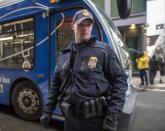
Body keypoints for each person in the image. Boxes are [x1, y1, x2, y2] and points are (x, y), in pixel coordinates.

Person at [40, 9, 128, 131]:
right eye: (81, 24)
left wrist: (112, 117)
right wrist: (48, 110)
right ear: (72, 26)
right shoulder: (63, 55)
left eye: (88, 25)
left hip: (95, 121)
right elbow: (56, 85)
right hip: (70, 120)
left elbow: (120, 82)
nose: (85, 28)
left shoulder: (103, 51)